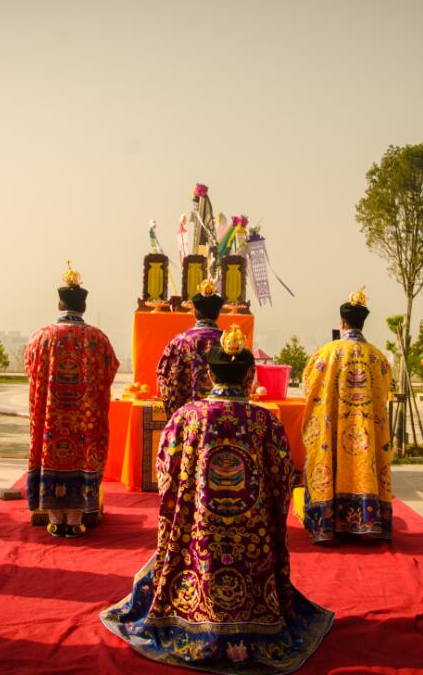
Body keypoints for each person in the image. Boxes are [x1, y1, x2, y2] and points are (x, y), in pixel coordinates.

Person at [100, 327, 333, 673]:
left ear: (209, 374)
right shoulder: (265, 421)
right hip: (251, 543)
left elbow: (165, 475)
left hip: (199, 540)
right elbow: (285, 478)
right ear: (250, 376)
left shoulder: (186, 419)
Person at [25, 263, 118, 537]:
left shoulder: (40, 338)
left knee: (51, 453)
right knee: (83, 457)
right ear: (84, 307)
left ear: (58, 304)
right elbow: (110, 371)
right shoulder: (97, 339)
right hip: (84, 422)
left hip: (52, 420)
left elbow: (31, 372)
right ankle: (76, 521)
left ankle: (55, 519)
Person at [299, 287, 393, 542]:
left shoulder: (326, 355)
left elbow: (308, 386)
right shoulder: (379, 358)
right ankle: (369, 522)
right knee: (363, 465)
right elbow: (385, 392)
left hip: (334, 427)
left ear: (342, 323)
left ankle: (328, 525)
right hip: (366, 433)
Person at [156, 279, 224, 416]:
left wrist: (176, 412)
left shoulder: (180, 341)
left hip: (188, 418)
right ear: (217, 314)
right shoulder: (229, 342)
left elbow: (165, 377)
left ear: (195, 313)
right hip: (223, 416)